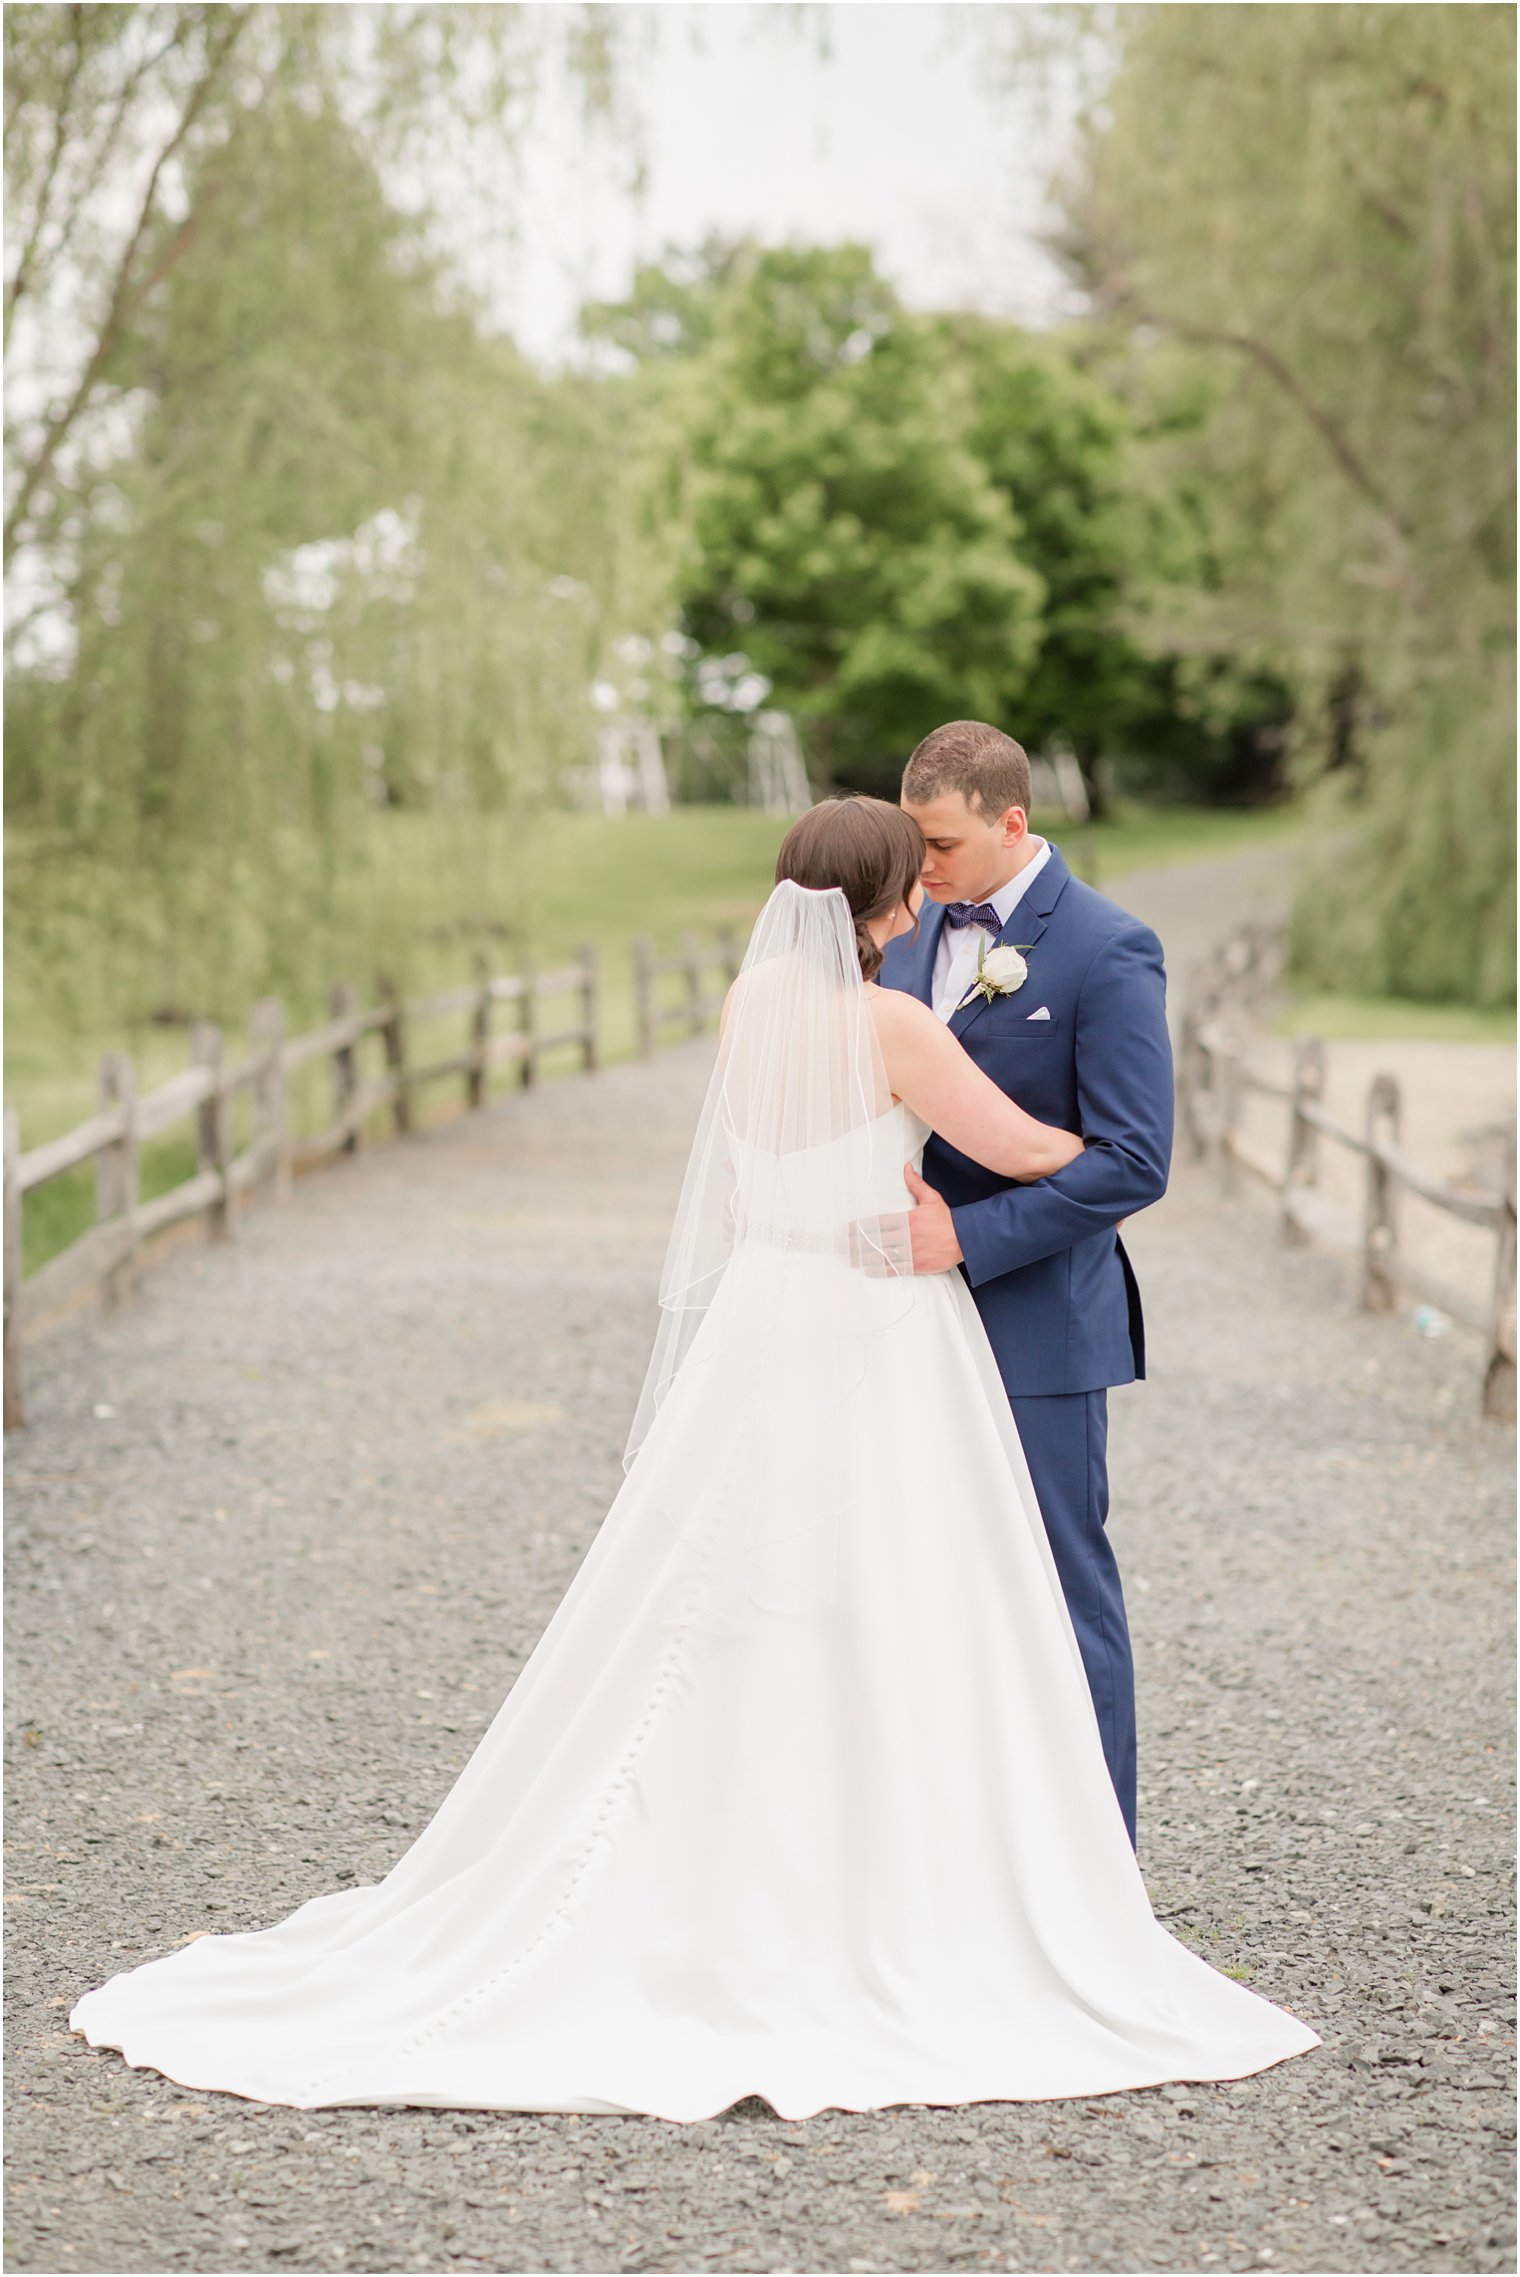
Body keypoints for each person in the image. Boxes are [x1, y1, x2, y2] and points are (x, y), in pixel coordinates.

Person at [69, 797, 1318, 2120]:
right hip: (876, 1323)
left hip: (763, 1323)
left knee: (736, 1598)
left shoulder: (751, 1014)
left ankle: (720, 1868)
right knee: (897, 1586)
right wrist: (1068, 1164)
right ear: (884, 905)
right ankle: (896, 1876)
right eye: (910, 887)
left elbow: (746, 1182)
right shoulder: (890, 1023)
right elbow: (1027, 1149)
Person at [881, 722, 1171, 1847]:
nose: (921, 865)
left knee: (1057, 1592)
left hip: (1036, 1323)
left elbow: (1132, 1161)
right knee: (916, 1583)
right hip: (896, 1322)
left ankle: (1096, 1868)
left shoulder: (1105, 948)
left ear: (1011, 822)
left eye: (940, 841)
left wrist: (969, 1237)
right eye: (909, 840)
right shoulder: (899, 937)